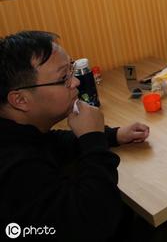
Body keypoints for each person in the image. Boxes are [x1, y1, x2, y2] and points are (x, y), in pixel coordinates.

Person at [0, 31, 150, 241]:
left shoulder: (19, 131)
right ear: (20, 100)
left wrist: (113, 135)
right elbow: (95, 222)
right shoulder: (16, 168)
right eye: (64, 78)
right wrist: (93, 139)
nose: (76, 82)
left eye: (71, 69)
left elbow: (54, 142)